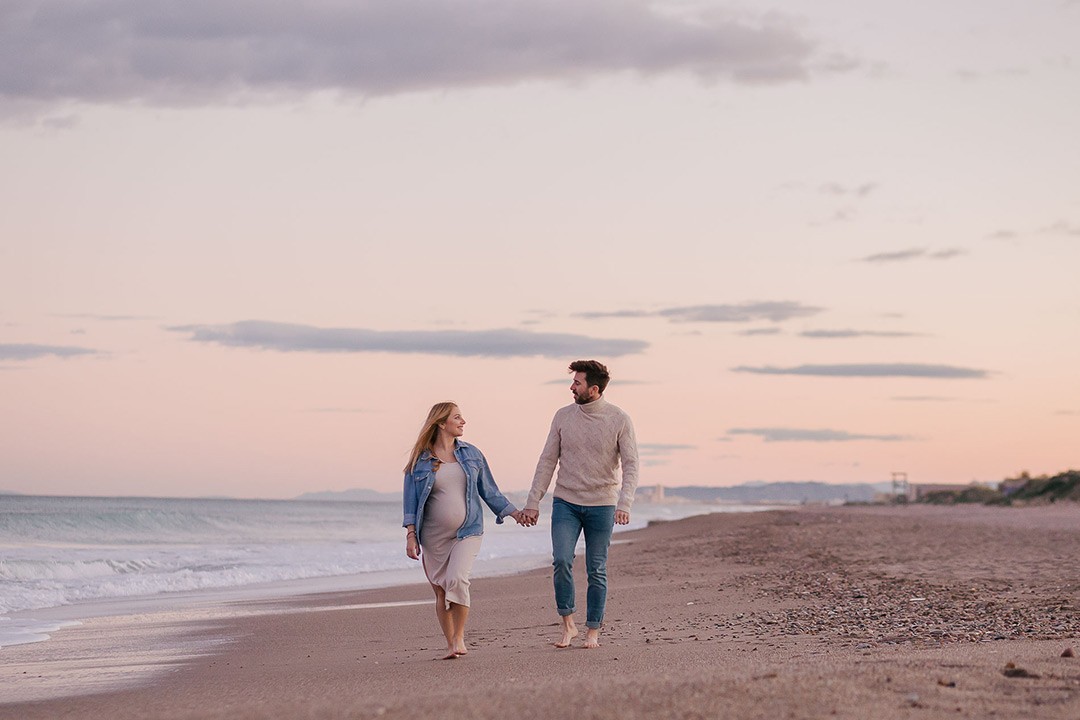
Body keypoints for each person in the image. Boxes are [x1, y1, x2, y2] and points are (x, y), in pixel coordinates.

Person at [519, 360, 639, 649]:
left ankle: (593, 630)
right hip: (566, 502)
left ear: (593, 389)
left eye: (577, 383)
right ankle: (568, 624)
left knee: (596, 568)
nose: (572, 387)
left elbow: (631, 464)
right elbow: (547, 460)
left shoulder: (618, 419)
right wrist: (533, 501)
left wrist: (625, 503)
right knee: (561, 560)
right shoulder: (563, 416)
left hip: (602, 504)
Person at [401, 402, 523, 659]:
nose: (463, 421)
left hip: (468, 531)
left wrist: (514, 513)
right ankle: (450, 644)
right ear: (441, 423)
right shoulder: (420, 462)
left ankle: (459, 637)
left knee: (457, 579)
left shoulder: (472, 454)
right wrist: (411, 534)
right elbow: (410, 502)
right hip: (432, 537)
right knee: (441, 590)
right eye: (457, 417)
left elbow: (490, 491)